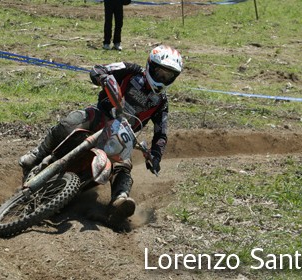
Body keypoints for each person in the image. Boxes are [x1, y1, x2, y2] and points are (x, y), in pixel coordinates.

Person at [19, 45, 183, 224]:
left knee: (124, 164)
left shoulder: (161, 103)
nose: (162, 78)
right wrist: (102, 77)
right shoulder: (131, 70)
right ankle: (37, 154)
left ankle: (119, 201)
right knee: (72, 120)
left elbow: (161, 133)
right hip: (101, 116)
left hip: (121, 135)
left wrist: (156, 156)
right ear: (151, 65)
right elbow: (99, 69)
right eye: (160, 73)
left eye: (168, 76)